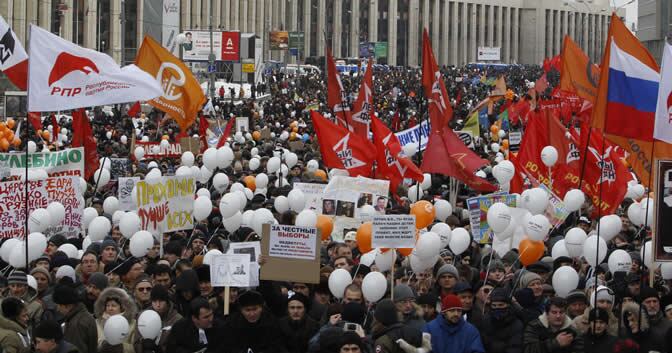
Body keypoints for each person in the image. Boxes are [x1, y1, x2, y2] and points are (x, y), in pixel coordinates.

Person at [221, 290, 287, 353]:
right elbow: (227, 347)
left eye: (255, 309)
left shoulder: (272, 323)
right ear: (241, 310)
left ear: (261, 308)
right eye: (247, 310)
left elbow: (277, 347)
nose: (252, 314)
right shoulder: (232, 324)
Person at [53, 280, 98, 353]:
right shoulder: (83, 315)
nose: (57, 309)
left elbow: (75, 349)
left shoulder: (76, 324)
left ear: (68, 306)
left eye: (59, 305)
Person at [478, 288, 523, 353]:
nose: (497, 308)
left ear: (508, 305)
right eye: (494, 305)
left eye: (501, 305)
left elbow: (515, 347)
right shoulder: (485, 320)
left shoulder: (516, 324)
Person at [94, 287, 137, 353]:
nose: (110, 308)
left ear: (122, 307)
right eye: (108, 305)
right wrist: (102, 345)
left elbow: (135, 347)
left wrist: (121, 347)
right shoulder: (97, 322)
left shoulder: (132, 323)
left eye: (114, 305)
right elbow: (92, 344)